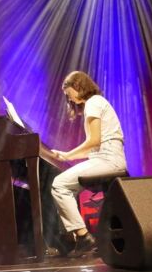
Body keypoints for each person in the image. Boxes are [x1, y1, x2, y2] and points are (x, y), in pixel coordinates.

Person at [49, 71, 127, 257]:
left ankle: (83, 237)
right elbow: (94, 146)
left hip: (108, 160)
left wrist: (68, 155)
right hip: (108, 158)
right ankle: (71, 238)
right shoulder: (97, 102)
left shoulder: (93, 102)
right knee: (67, 187)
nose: (69, 98)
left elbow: (94, 141)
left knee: (59, 185)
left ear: (77, 86)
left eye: (68, 93)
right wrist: (68, 156)